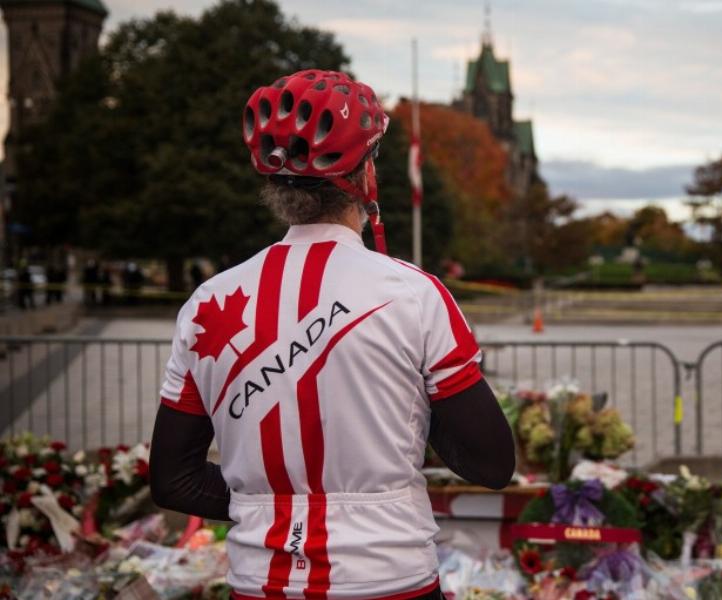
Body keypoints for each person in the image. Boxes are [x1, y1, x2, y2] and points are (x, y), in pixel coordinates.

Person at [149, 69, 514, 599]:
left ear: (273, 184)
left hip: (260, 582)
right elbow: (493, 464)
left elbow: (172, 481)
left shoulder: (207, 302)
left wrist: (269, 506)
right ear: (366, 177)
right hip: (391, 580)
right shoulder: (414, 294)